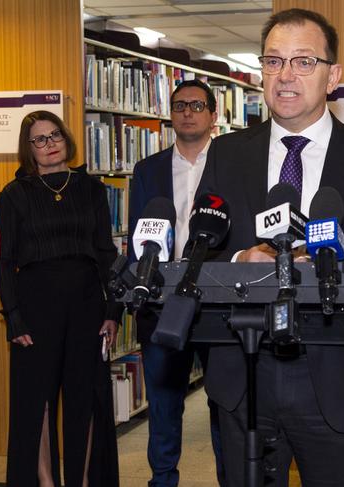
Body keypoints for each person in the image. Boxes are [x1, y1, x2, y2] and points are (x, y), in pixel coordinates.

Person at [197, 9, 344, 486]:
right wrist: (241, 261)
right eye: (274, 61)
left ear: (332, 76)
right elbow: (199, 256)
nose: (285, 76)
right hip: (245, 374)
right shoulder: (226, 153)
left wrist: (327, 268)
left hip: (335, 377)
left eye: (303, 61)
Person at [0, 110, 120, 487]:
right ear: (28, 148)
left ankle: (82, 481)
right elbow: (3, 261)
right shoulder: (14, 194)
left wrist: (113, 310)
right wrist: (12, 317)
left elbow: (105, 253)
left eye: (54, 136)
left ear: (66, 139)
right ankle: (44, 481)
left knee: (86, 397)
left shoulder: (93, 188)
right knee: (37, 401)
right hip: (35, 306)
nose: (49, 145)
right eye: (39, 140)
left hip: (87, 303)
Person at [128, 79, 225, 487]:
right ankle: (162, 480)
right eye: (180, 104)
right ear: (170, 113)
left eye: (197, 105)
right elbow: (137, 235)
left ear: (213, 114)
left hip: (217, 299)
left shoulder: (230, 164)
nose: (188, 111)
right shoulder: (147, 170)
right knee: (165, 407)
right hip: (161, 301)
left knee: (224, 403)